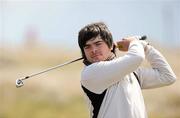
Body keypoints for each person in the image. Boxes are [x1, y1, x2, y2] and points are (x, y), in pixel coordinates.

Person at [78, 22, 176, 118]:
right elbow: (136, 58)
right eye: (87, 47)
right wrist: (134, 42)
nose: (93, 50)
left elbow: (167, 76)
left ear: (111, 45)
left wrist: (146, 47)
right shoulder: (90, 73)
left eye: (98, 44)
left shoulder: (131, 72)